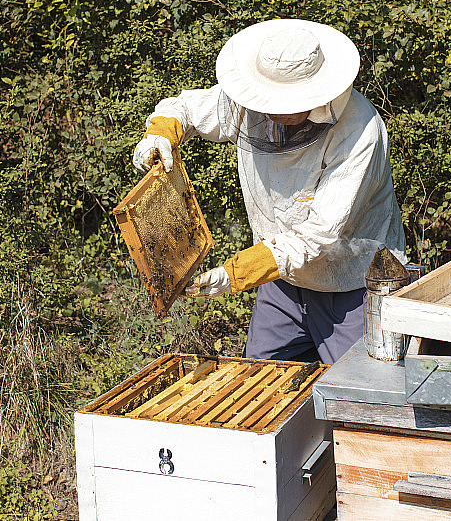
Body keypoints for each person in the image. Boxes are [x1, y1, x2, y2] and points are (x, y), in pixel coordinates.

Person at [132, 19, 406, 364]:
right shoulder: (250, 99)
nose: (273, 112)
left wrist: (236, 273)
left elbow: (316, 236)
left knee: (357, 395)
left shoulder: (359, 130)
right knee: (263, 381)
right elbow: (185, 109)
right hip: (279, 281)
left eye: (286, 103)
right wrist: (160, 134)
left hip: (348, 283)